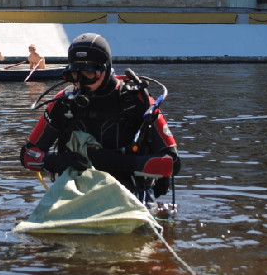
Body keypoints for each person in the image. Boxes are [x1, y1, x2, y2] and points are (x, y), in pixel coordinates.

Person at [20, 33, 181, 202]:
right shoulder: (64, 103)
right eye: (74, 74)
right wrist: (56, 162)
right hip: (76, 197)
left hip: (129, 196)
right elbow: (27, 155)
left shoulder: (136, 101)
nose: (80, 82)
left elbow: (172, 163)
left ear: (105, 68)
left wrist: (119, 162)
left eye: (89, 74)